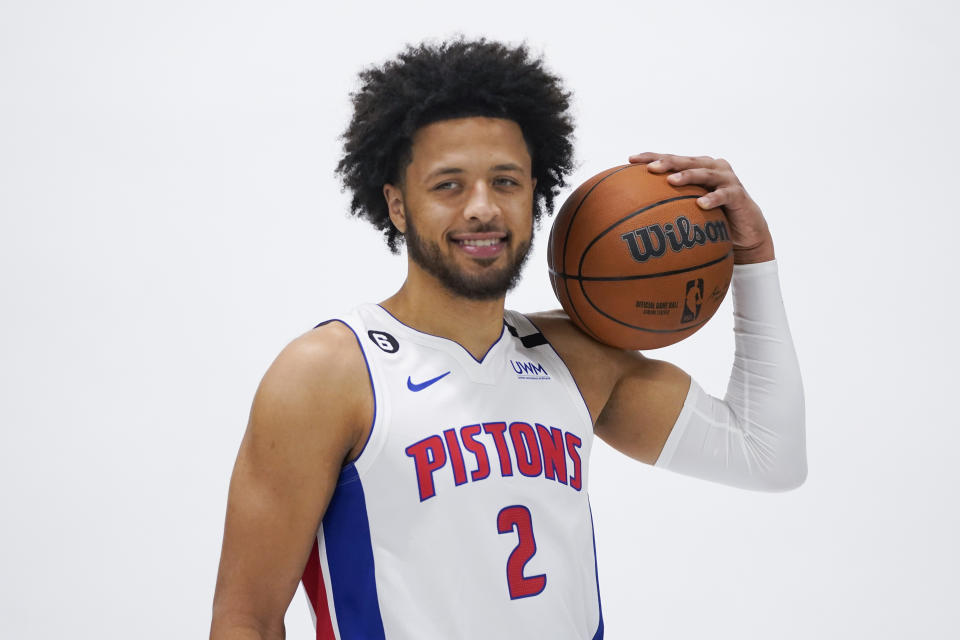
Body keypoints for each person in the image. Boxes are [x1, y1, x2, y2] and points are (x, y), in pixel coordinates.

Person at [210, 39, 805, 640]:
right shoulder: (331, 373)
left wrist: (753, 259)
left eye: (505, 181)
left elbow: (768, 456)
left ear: (534, 193)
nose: (482, 209)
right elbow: (246, 621)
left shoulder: (576, 358)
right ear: (396, 203)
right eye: (448, 185)